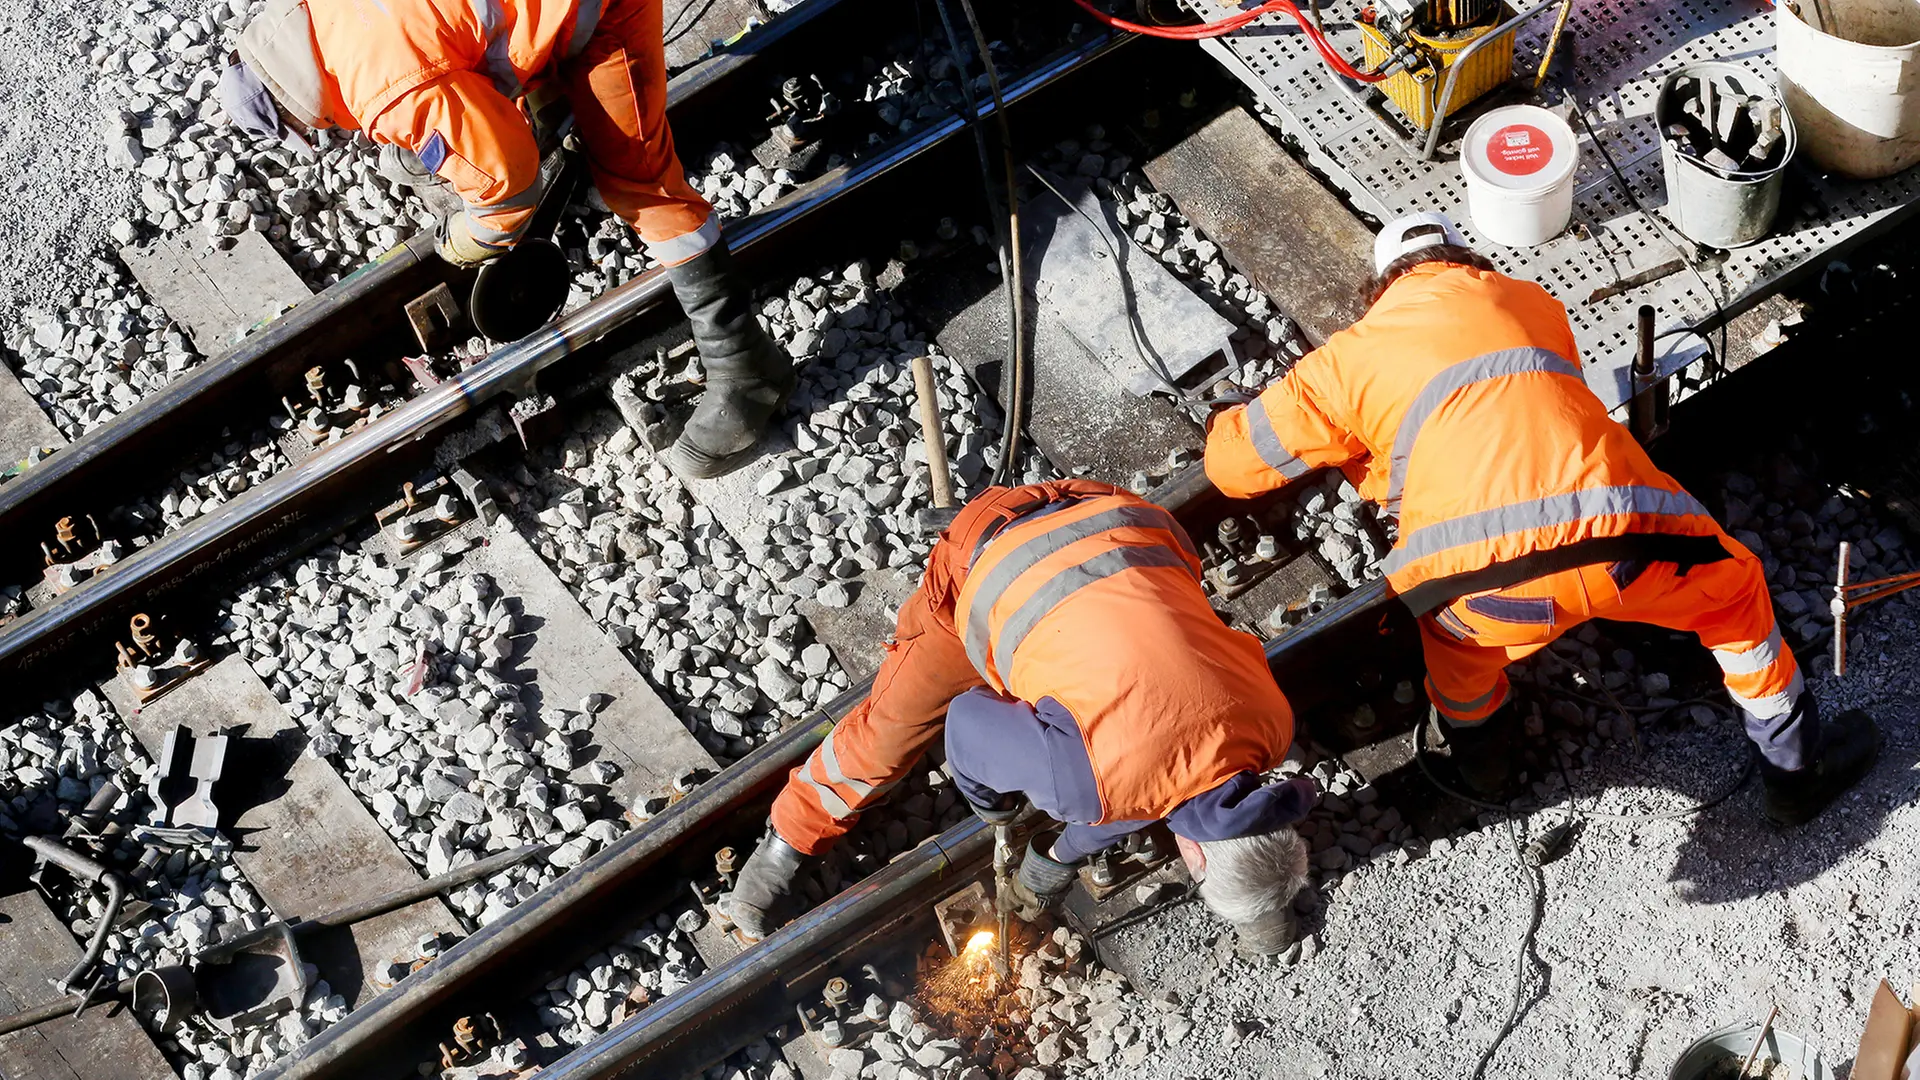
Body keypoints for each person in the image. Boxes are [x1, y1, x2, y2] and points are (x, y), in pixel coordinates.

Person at [1203, 211, 1879, 826]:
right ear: (1468, 262)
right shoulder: (1531, 302)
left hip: (1482, 589)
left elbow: (1233, 469)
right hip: (1626, 542)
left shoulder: (1348, 358)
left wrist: (1242, 419)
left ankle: (1487, 767)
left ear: (1379, 290)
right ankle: (1796, 774)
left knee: (1460, 662)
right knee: (1736, 598)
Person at [723, 480, 1313, 953]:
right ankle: (792, 833)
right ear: (1200, 855)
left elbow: (1150, 780)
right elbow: (964, 724)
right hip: (989, 554)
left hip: (1121, 519)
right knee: (890, 729)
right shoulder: (1085, 787)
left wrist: (1062, 853)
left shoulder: (1274, 725)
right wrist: (993, 805)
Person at [214, 0, 790, 478]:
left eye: (308, 129)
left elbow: (509, 186)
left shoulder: (383, 86)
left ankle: (746, 365)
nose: (325, 130)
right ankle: (557, 104)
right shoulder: (330, 19)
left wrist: (471, 238)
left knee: (640, 183)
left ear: (293, 112)